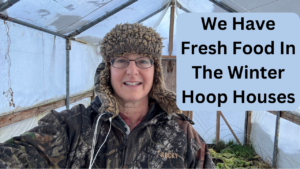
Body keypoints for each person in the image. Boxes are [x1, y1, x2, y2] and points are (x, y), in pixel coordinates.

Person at [0, 23, 215, 168]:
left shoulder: (182, 134)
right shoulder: (72, 126)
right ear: (107, 70)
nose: (132, 71)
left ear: (155, 70)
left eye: (143, 60)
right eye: (121, 60)